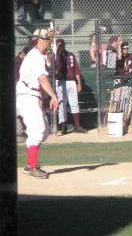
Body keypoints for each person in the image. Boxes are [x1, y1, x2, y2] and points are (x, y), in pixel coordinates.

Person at [16, 29, 58, 179]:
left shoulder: (40, 55)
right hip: (26, 94)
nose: (49, 41)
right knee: (37, 130)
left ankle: (30, 164)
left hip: (32, 94)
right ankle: (33, 167)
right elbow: (42, 78)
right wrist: (53, 96)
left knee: (44, 132)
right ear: (39, 40)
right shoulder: (35, 55)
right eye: (47, 39)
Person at [54, 38, 88, 134]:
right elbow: (56, 69)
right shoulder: (55, 56)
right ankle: (63, 126)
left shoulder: (71, 55)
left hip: (71, 81)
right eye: (59, 45)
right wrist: (57, 52)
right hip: (60, 82)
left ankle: (77, 126)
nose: (61, 47)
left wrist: (79, 83)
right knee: (62, 104)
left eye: (62, 45)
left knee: (74, 103)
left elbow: (76, 70)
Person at [15, 46, 31, 137]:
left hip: (23, 87)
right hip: (16, 86)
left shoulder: (26, 61)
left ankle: (24, 128)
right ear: (23, 53)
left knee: (23, 108)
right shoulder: (15, 60)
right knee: (18, 108)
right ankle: (22, 128)